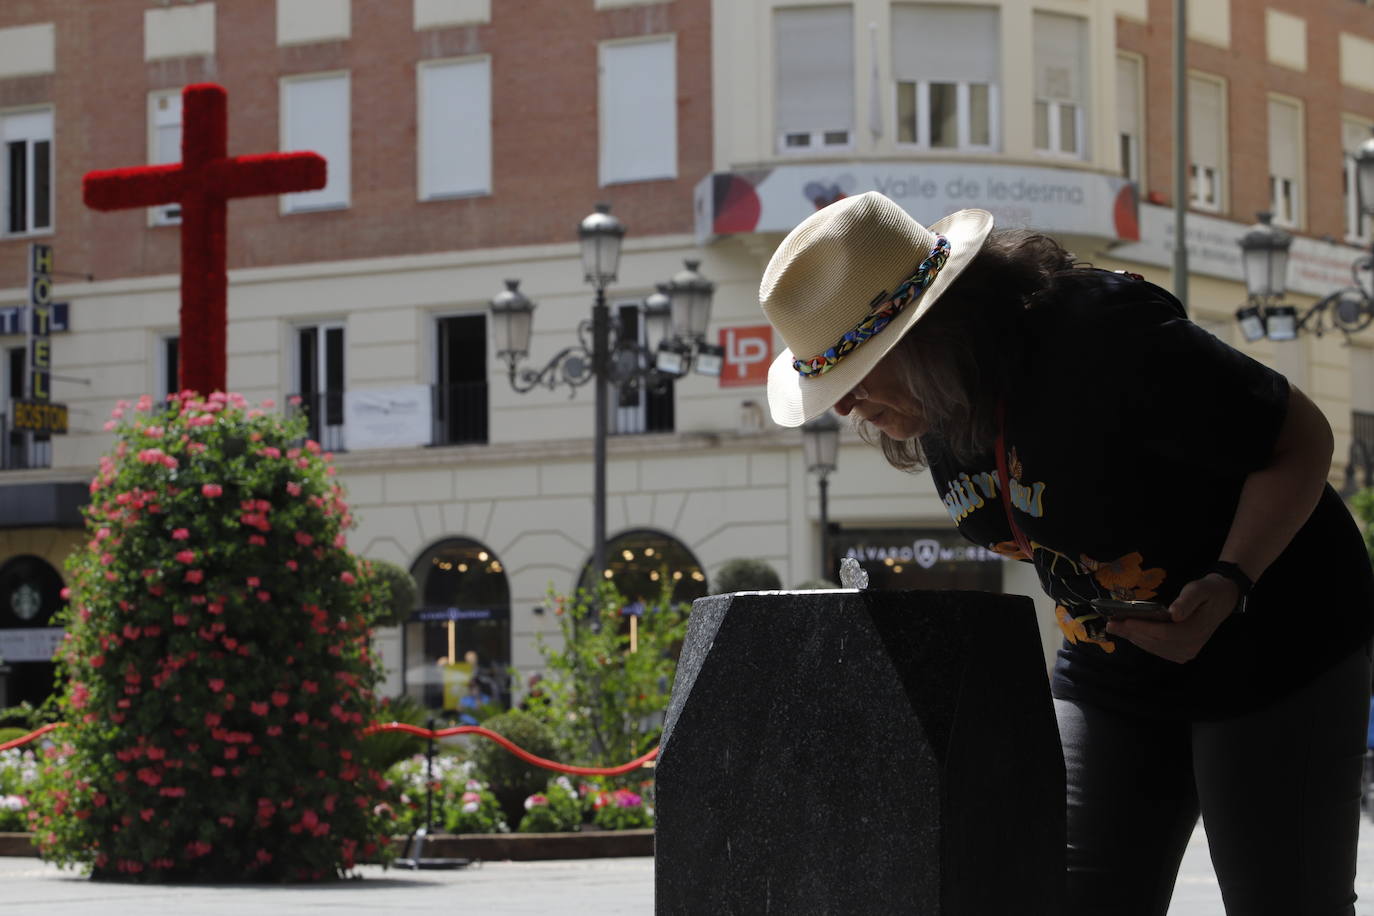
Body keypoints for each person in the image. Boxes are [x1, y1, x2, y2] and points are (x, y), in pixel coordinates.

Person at [758, 191, 1374, 915]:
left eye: (855, 370)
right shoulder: (933, 402)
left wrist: (1229, 576)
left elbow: (1301, 439)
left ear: (931, 330)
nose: (844, 407)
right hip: (1115, 665)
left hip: (1277, 639)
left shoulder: (1106, 339)